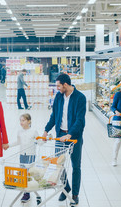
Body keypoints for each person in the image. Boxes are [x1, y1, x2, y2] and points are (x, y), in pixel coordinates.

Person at [42, 73, 86, 205]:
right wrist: (46, 130)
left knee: (75, 166)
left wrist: (70, 134)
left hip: (74, 137)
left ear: (65, 85)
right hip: (60, 134)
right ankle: (66, 187)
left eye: (58, 86)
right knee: (58, 163)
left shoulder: (80, 98)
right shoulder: (59, 97)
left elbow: (80, 120)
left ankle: (75, 194)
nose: (57, 88)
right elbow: (54, 115)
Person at [9, 113, 38, 203]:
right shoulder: (19, 131)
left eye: (23, 120)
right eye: (20, 120)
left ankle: (27, 193)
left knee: (28, 174)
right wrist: (8, 145)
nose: (21, 122)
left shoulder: (34, 131)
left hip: (31, 155)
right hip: (22, 155)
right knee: (23, 173)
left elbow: (39, 141)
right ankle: (27, 192)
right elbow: (18, 142)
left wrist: (44, 140)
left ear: (29, 121)